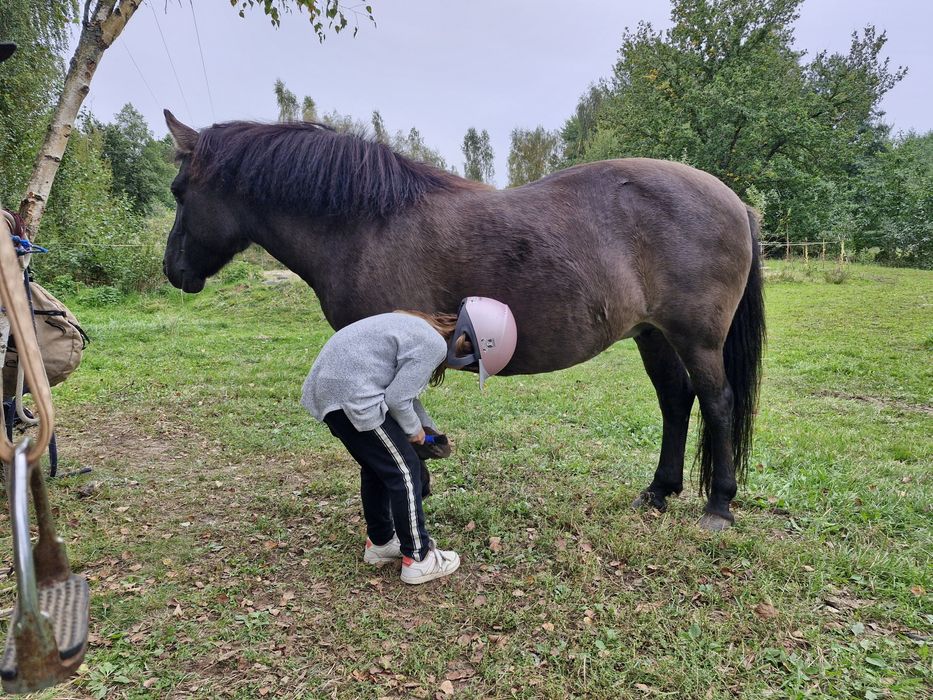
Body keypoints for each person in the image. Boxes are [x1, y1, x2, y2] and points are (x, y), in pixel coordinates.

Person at [301, 297, 517, 584]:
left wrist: (429, 430)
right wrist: (415, 432)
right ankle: (419, 558)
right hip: (354, 397)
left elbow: (406, 395)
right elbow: (397, 400)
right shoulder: (434, 344)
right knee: (405, 470)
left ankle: (380, 543)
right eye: (473, 361)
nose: (467, 367)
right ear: (467, 343)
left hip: (333, 392)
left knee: (378, 468)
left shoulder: (421, 329)